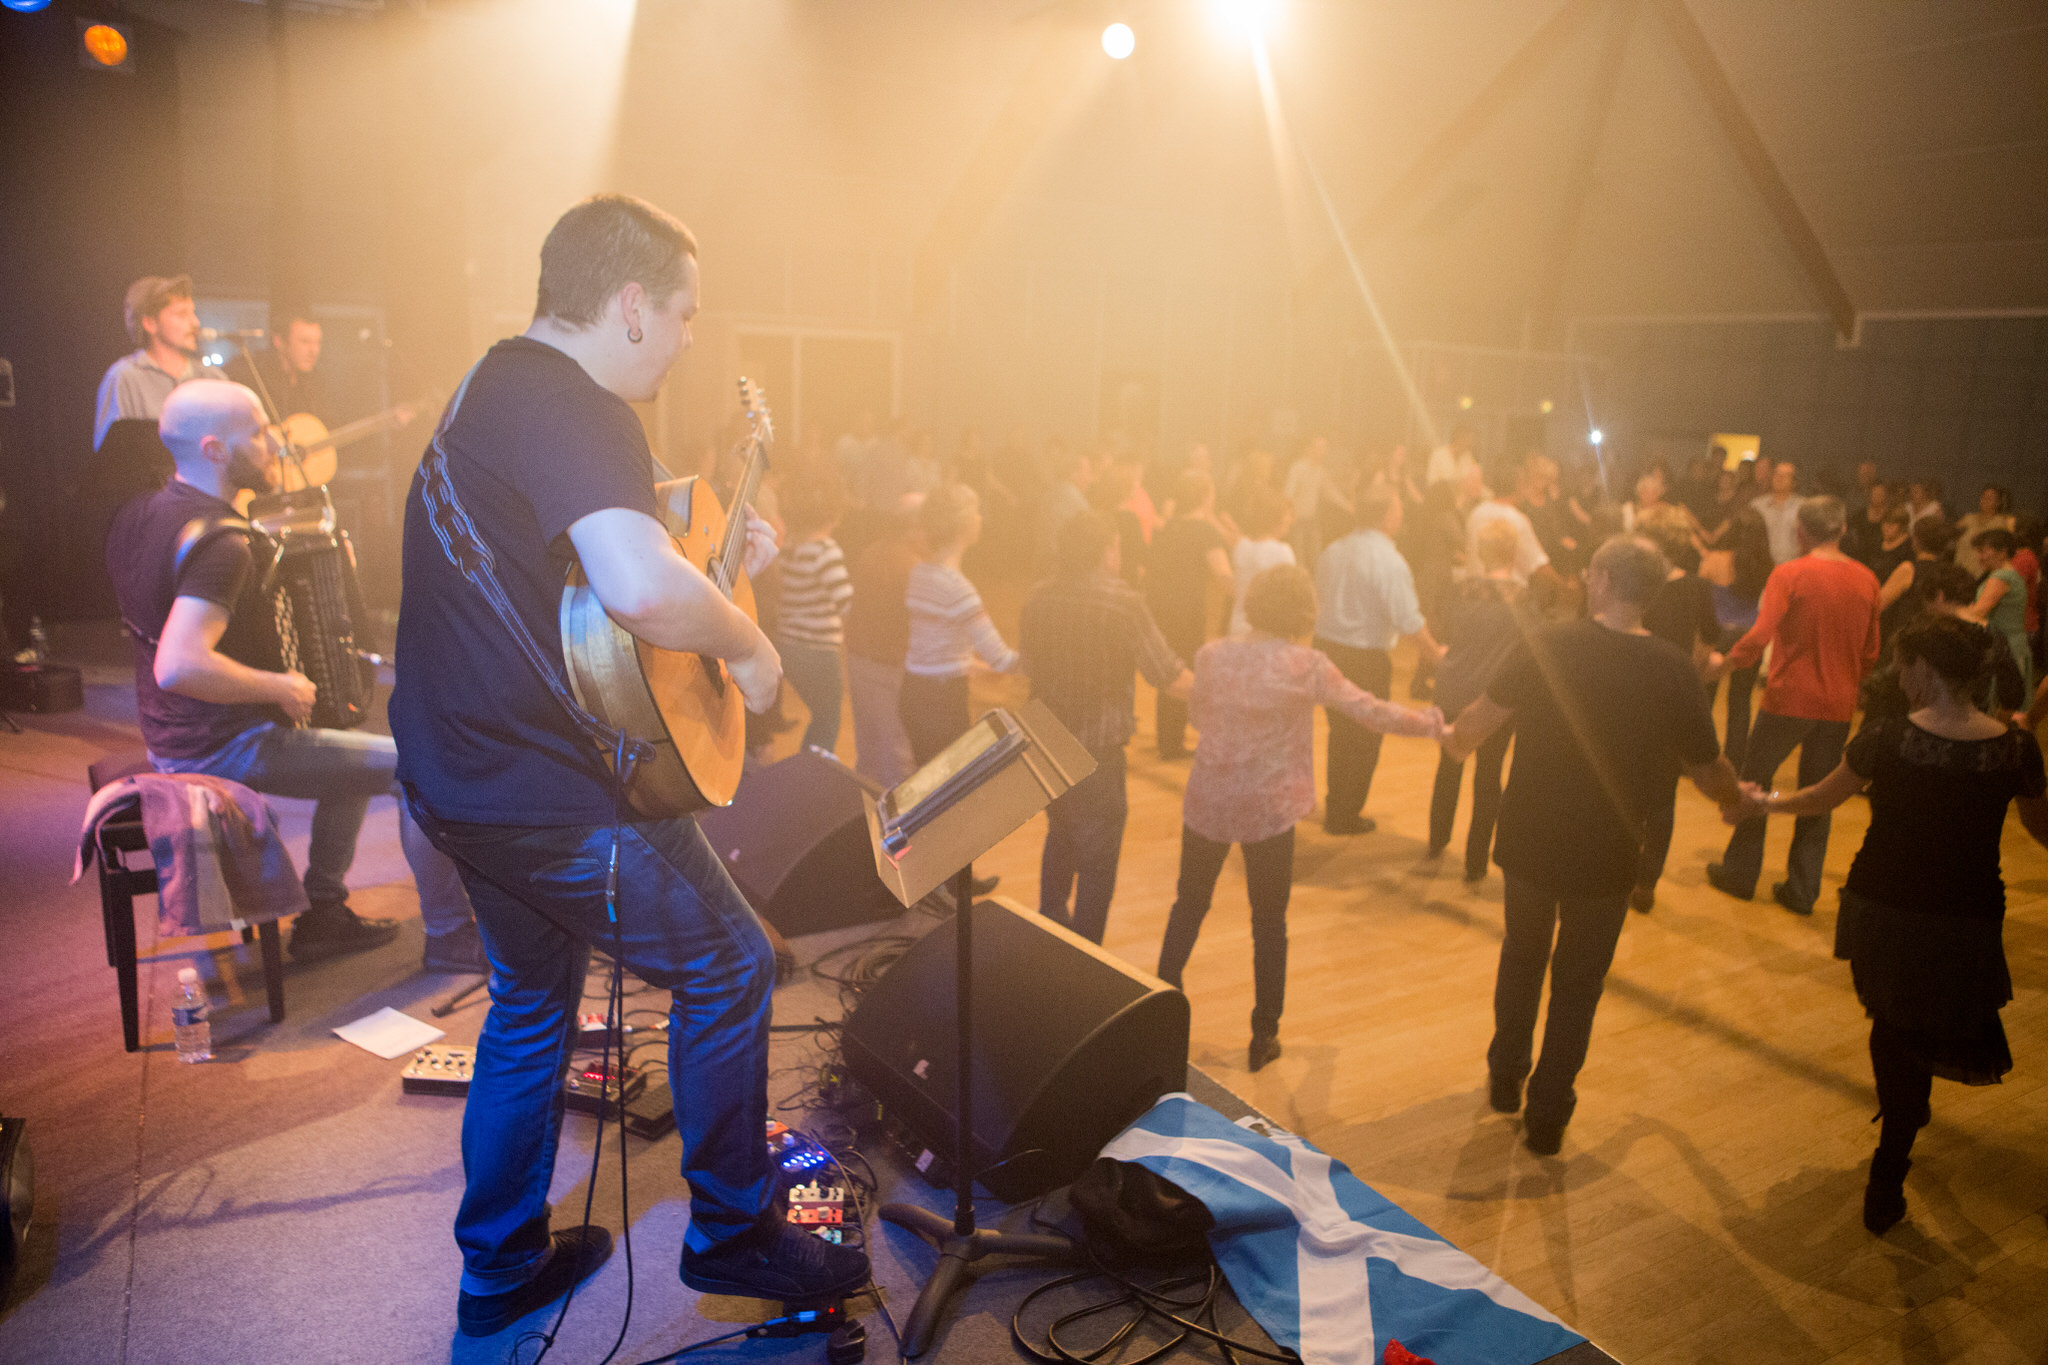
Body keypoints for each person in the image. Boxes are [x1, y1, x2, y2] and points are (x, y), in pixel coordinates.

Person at [388, 195, 867, 1337]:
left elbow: (627, 548)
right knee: (732, 965)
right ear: (632, 303)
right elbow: (637, 588)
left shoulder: (495, 386)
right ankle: (731, 1230)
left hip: (458, 782)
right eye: (686, 313)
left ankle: (498, 1266)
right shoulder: (574, 402)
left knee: (527, 1007)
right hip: (547, 794)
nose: (692, 337)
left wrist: (720, 547)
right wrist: (750, 652)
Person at [108, 378, 477, 969]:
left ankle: (324, 908)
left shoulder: (142, 514)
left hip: (168, 734)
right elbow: (178, 663)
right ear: (213, 450)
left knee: (349, 752)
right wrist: (278, 685)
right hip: (221, 746)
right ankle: (454, 937)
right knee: (418, 771)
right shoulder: (225, 548)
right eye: (257, 433)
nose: (276, 446)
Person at [1729, 614, 2048, 1233]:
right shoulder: (2014, 749)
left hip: (1886, 907)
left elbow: (1819, 798)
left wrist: (1760, 802)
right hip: (1965, 913)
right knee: (1915, 1025)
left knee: (1895, 1024)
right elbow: (2042, 829)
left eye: (1904, 665)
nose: (1898, 676)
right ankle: (1898, 1141)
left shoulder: (1888, 738)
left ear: (1926, 670)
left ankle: (1898, 1138)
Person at [1444, 535, 1742, 1155]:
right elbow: (1708, 767)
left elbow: (1476, 721)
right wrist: (1736, 801)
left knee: (1523, 955)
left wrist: (1450, 739)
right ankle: (1549, 1115)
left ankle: (1506, 1081)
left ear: (1601, 578)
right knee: (1580, 982)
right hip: (1609, 848)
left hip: (1531, 833)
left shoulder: (1549, 644)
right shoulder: (1670, 666)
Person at [1157, 565, 1443, 1071]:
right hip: (1269, 808)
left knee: (1189, 903)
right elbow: (1368, 710)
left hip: (1209, 800)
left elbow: (1198, 715)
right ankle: (1263, 1035)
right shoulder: (1306, 665)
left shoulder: (1212, 654)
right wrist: (1432, 726)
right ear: (1302, 611)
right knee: (1269, 922)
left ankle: (1160, 1004)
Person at [1019, 511, 1191, 944]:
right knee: (1098, 857)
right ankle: (1085, 956)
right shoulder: (1122, 601)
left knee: (1060, 832)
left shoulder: (1038, 597)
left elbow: (1028, 663)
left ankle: (1049, 924)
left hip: (1045, 738)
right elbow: (1166, 675)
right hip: (1098, 746)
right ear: (1106, 551)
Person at [1706, 496, 1881, 916]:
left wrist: (1724, 665)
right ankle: (1802, 891)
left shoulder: (1791, 573)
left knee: (1755, 782)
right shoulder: (1867, 579)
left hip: (1789, 699)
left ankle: (1741, 874)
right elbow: (1871, 652)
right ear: (1840, 531)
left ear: (1800, 532)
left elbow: (1761, 633)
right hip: (1838, 705)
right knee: (1819, 795)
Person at [1313, 484, 1446, 834]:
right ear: (1388, 517)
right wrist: (1437, 657)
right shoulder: (1389, 560)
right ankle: (1344, 814)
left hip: (1327, 649)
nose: (1401, 514)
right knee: (1366, 736)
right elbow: (1408, 621)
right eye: (1398, 509)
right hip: (1364, 657)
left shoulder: (1333, 550)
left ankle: (1337, 807)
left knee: (1340, 733)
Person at [1426, 518, 1532, 882]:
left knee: (1448, 767)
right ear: (1514, 551)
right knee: (1488, 777)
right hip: (1495, 697)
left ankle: (1436, 841)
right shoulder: (1522, 597)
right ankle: (1475, 862)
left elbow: (1444, 632)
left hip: (1452, 687)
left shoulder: (1460, 589)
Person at [1635, 523, 1724, 911]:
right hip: (1670, 695)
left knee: (1625, 783)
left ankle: (1625, 871)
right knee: (1661, 793)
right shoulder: (1695, 586)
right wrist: (1693, 671)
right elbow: (1711, 634)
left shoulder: (1639, 584)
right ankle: (1645, 880)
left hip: (1632, 694)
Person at [902, 483, 1019, 765]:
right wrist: (1051, 662)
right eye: (977, 512)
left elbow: (933, 644)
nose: (981, 518)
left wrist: (967, 662)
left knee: (929, 787)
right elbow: (1002, 660)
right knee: (949, 797)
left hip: (914, 692)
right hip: (941, 703)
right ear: (963, 525)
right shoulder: (958, 589)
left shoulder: (920, 572)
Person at [1145, 472, 1234, 759]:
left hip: (1160, 609)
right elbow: (1222, 574)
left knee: (1168, 669)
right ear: (1205, 496)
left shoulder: (1169, 527)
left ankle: (1168, 742)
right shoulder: (1204, 531)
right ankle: (1176, 743)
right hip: (1187, 612)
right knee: (1185, 672)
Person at [843, 497, 923, 788]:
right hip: (888, 666)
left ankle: (863, 823)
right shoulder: (910, 565)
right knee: (896, 753)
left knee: (870, 752)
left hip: (858, 660)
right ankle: (898, 828)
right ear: (914, 528)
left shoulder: (871, 552)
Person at [773, 480, 854, 755]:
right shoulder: (825, 551)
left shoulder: (788, 548)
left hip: (787, 647)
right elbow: (846, 603)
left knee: (821, 716)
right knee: (828, 720)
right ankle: (810, 781)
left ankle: (805, 775)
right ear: (832, 515)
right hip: (818, 651)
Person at [94, 275, 212, 449]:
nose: (195, 322)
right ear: (150, 323)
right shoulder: (124, 378)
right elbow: (112, 459)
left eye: (193, 312)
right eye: (181, 314)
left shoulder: (211, 378)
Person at [1701, 508, 1775, 772]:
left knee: (1705, 695)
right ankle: (1735, 760)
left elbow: (1701, 598)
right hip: (1750, 633)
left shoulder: (1715, 559)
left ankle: (1702, 755)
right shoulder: (1766, 564)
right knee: (1741, 700)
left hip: (1718, 632)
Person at [228, 310, 331, 427]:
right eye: (305, 342)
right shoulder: (253, 375)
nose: (314, 351)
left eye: (317, 343)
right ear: (279, 341)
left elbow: (327, 426)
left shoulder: (315, 382)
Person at [1961, 528, 2032, 696]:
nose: (1979, 557)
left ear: (2003, 552)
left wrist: (1952, 610)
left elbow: (1978, 613)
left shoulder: (2001, 577)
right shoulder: (2006, 574)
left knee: (2001, 701)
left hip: (2004, 647)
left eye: (1984, 551)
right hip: (2011, 644)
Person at [1227, 485, 1295, 635]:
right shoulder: (1282, 552)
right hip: (1267, 632)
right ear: (1276, 517)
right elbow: (1289, 600)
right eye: (1288, 514)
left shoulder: (1241, 546)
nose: (1291, 519)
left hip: (1237, 627)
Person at [1282, 435, 1346, 569]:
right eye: (1320, 447)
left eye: (1325, 447)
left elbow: (1331, 492)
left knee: (1315, 556)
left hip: (1312, 520)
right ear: (1309, 449)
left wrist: (1348, 506)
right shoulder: (1297, 468)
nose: (1324, 451)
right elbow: (1288, 494)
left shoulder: (1320, 471)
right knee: (1299, 559)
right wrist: (1290, 515)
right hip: (1297, 520)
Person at [1952, 485, 2013, 577]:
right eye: (1983, 497)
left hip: (1983, 575)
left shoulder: (2002, 522)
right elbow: (1951, 534)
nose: (1984, 500)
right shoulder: (1968, 518)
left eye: (1989, 498)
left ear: (1998, 502)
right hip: (1959, 571)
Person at [1752, 458, 1803, 563]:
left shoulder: (1803, 508)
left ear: (1794, 482)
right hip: (1760, 570)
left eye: (1786, 476)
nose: (1780, 478)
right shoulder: (1757, 506)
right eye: (1777, 474)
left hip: (1791, 568)